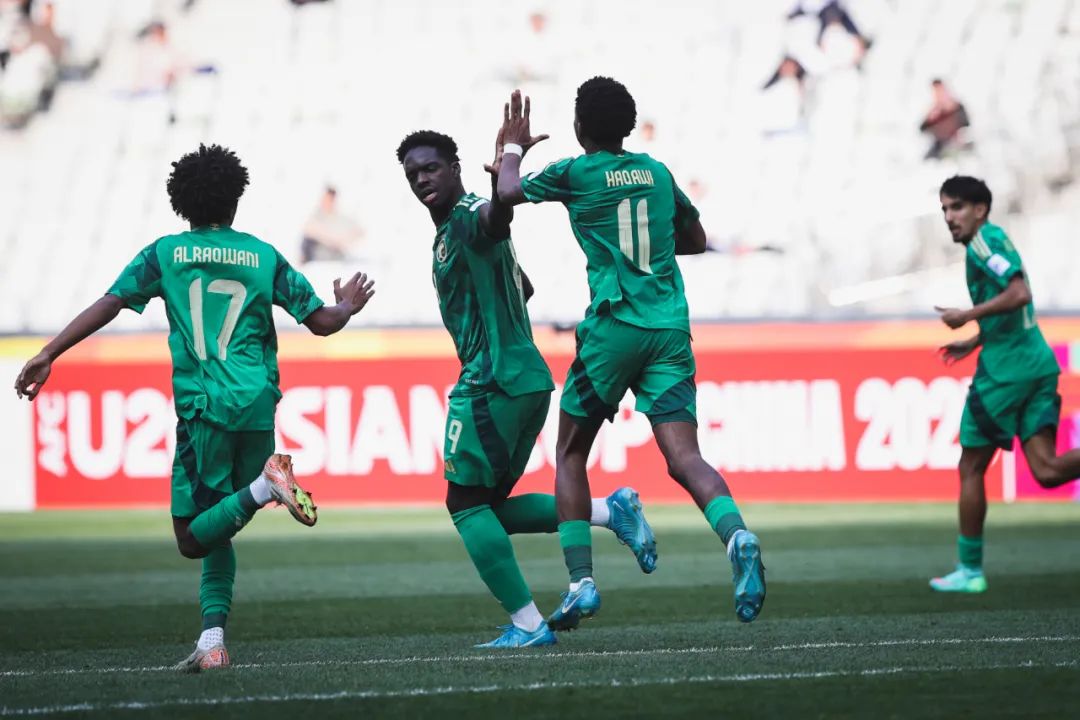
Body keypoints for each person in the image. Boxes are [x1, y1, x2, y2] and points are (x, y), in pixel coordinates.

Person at [14, 143, 375, 670]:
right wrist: (346, 305)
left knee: (190, 537)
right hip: (257, 402)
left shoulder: (165, 254)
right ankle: (212, 643)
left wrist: (50, 352)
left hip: (205, 407)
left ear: (179, 201)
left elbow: (111, 303)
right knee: (218, 524)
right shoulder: (263, 255)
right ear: (236, 198)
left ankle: (265, 486)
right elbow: (321, 322)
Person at [495, 80, 766, 630]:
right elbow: (695, 239)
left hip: (614, 326)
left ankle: (581, 583)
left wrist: (512, 148)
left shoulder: (575, 173)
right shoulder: (658, 173)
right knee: (685, 458)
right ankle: (736, 533)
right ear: (629, 125)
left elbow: (506, 192)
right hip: (668, 327)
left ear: (579, 127)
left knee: (571, 451)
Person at [396, 128, 657, 648]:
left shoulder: (469, 215)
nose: (421, 178)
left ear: (455, 169)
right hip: (523, 378)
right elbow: (524, 284)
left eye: (431, 167)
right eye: (412, 173)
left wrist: (504, 186)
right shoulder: (453, 228)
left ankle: (529, 624)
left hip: (491, 381)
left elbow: (495, 221)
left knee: (464, 505)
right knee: (488, 507)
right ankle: (610, 511)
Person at [931, 175, 1079, 593]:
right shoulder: (990, 241)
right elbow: (1011, 309)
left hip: (1006, 372)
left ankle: (970, 570)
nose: (949, 217)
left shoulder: (983, 243)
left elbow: (1019, 294)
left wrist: (967, 315)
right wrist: (976, 338)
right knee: (1047, 470)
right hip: (1037, 363)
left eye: (957, 207)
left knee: (971, 466)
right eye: (945, 209)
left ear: (980, 210)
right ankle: (969, 571)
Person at [300, 186, 365, 264]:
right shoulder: (316, 216)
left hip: (338, 258)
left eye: (331, 200)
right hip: (318, 258)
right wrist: (334, 240)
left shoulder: (341, 218)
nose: (327, 202)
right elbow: (309, 229)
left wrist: (346, 240)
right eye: (325, 199)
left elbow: (360, 231)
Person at [920, 79, 969, 160]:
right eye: (936, 92)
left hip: (957, 146)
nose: (939, 94)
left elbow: (966, 125)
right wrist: (930, 119)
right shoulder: (933, 112)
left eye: (941, 91)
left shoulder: (957, 108)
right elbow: (922, 129)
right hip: (939, 149)